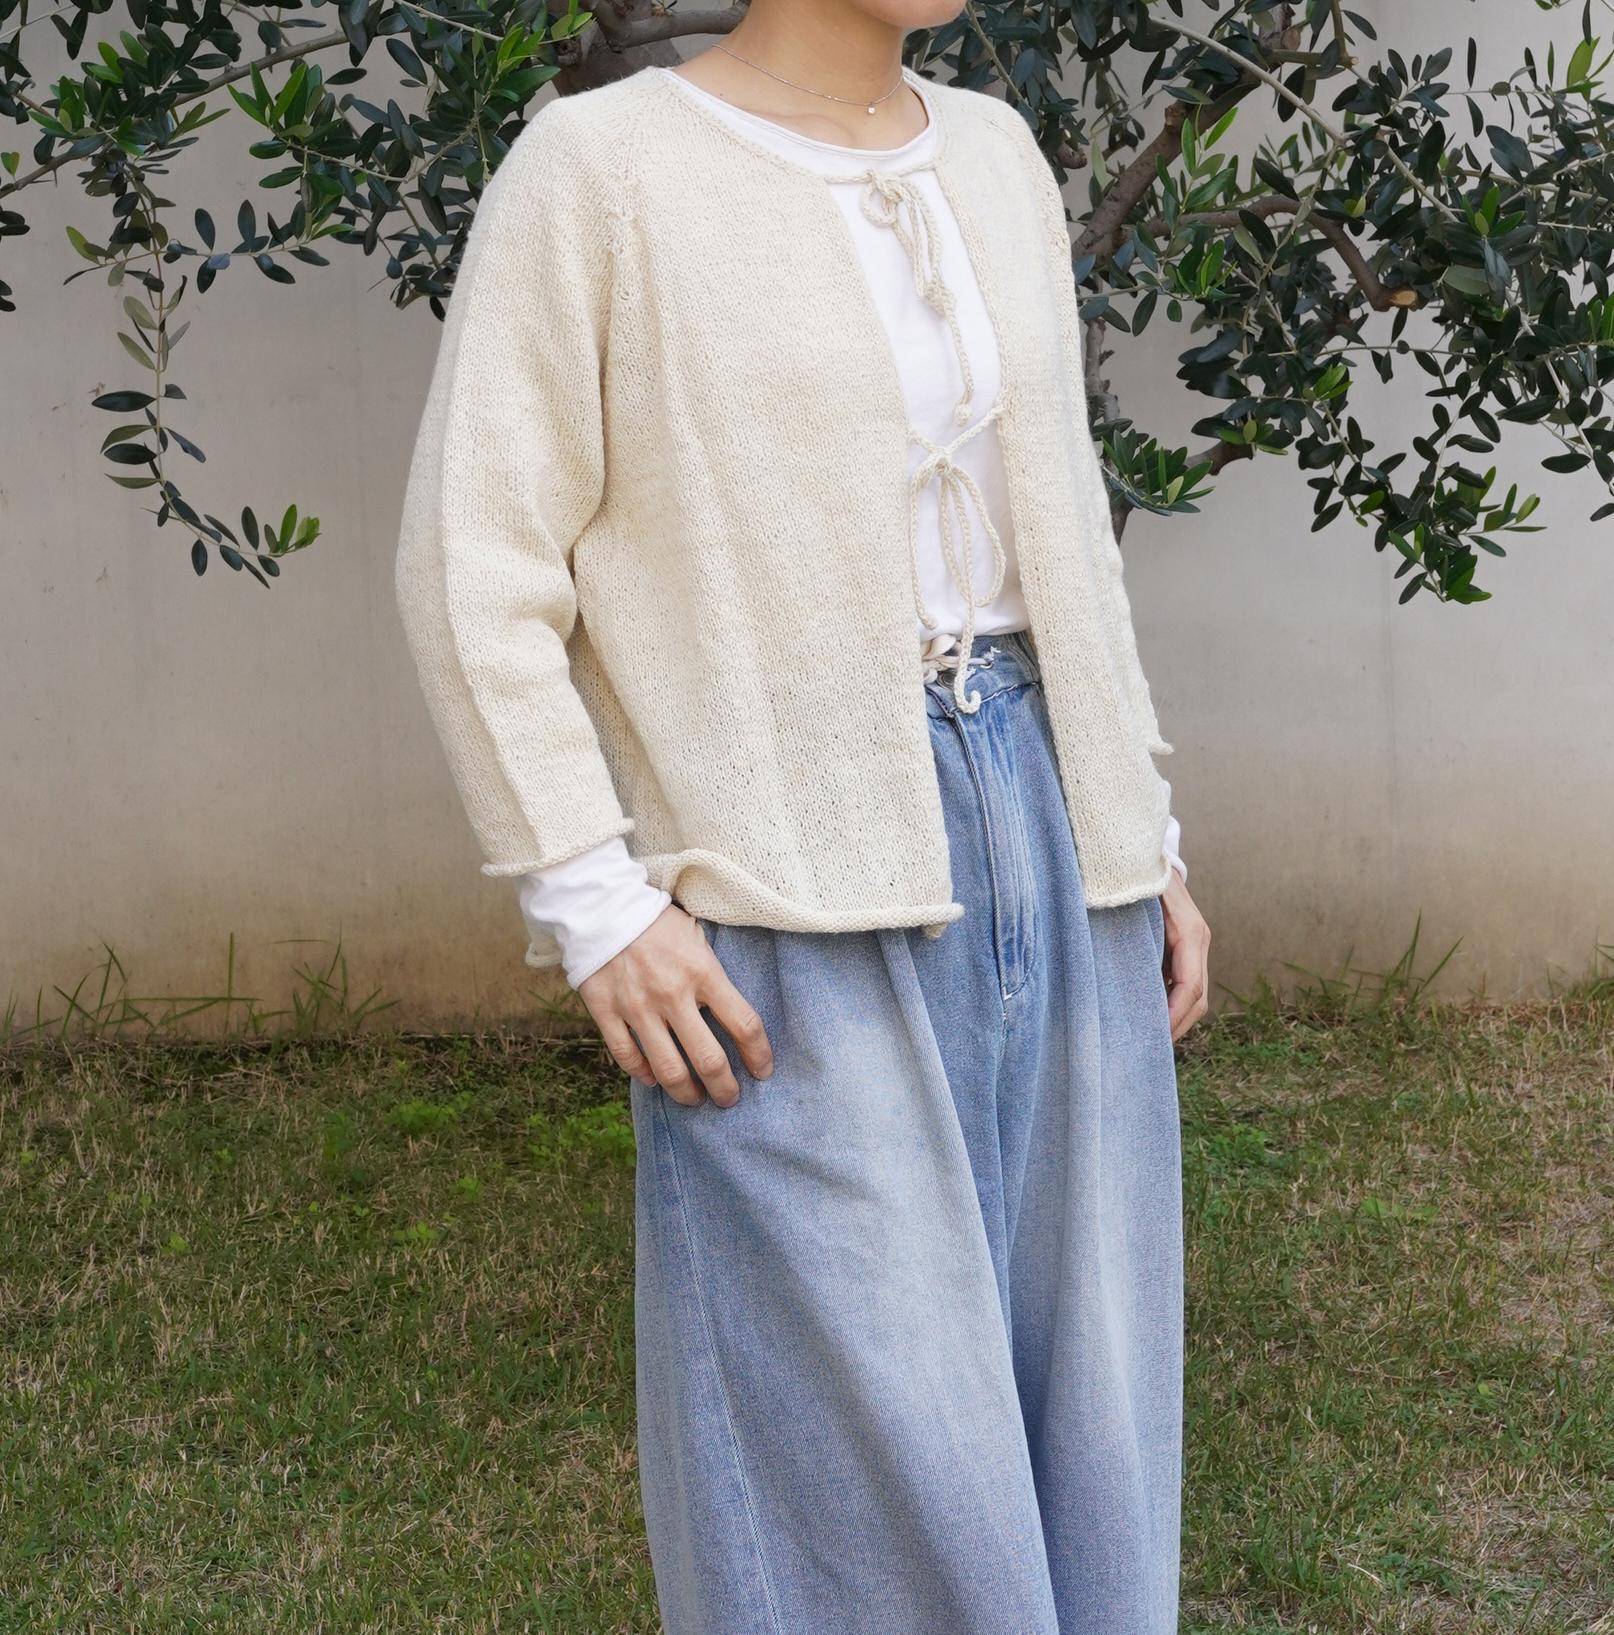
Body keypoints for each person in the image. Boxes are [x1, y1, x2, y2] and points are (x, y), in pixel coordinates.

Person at [394, 0, 1212, 1625]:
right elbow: (471, 562)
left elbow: (1061, 529)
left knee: (1096, 1415)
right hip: (785, 861)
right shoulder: (601, 170)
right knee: (862, 1447)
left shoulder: (994, 153)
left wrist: (1146, 834)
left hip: (1055, 832)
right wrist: (594, 901)